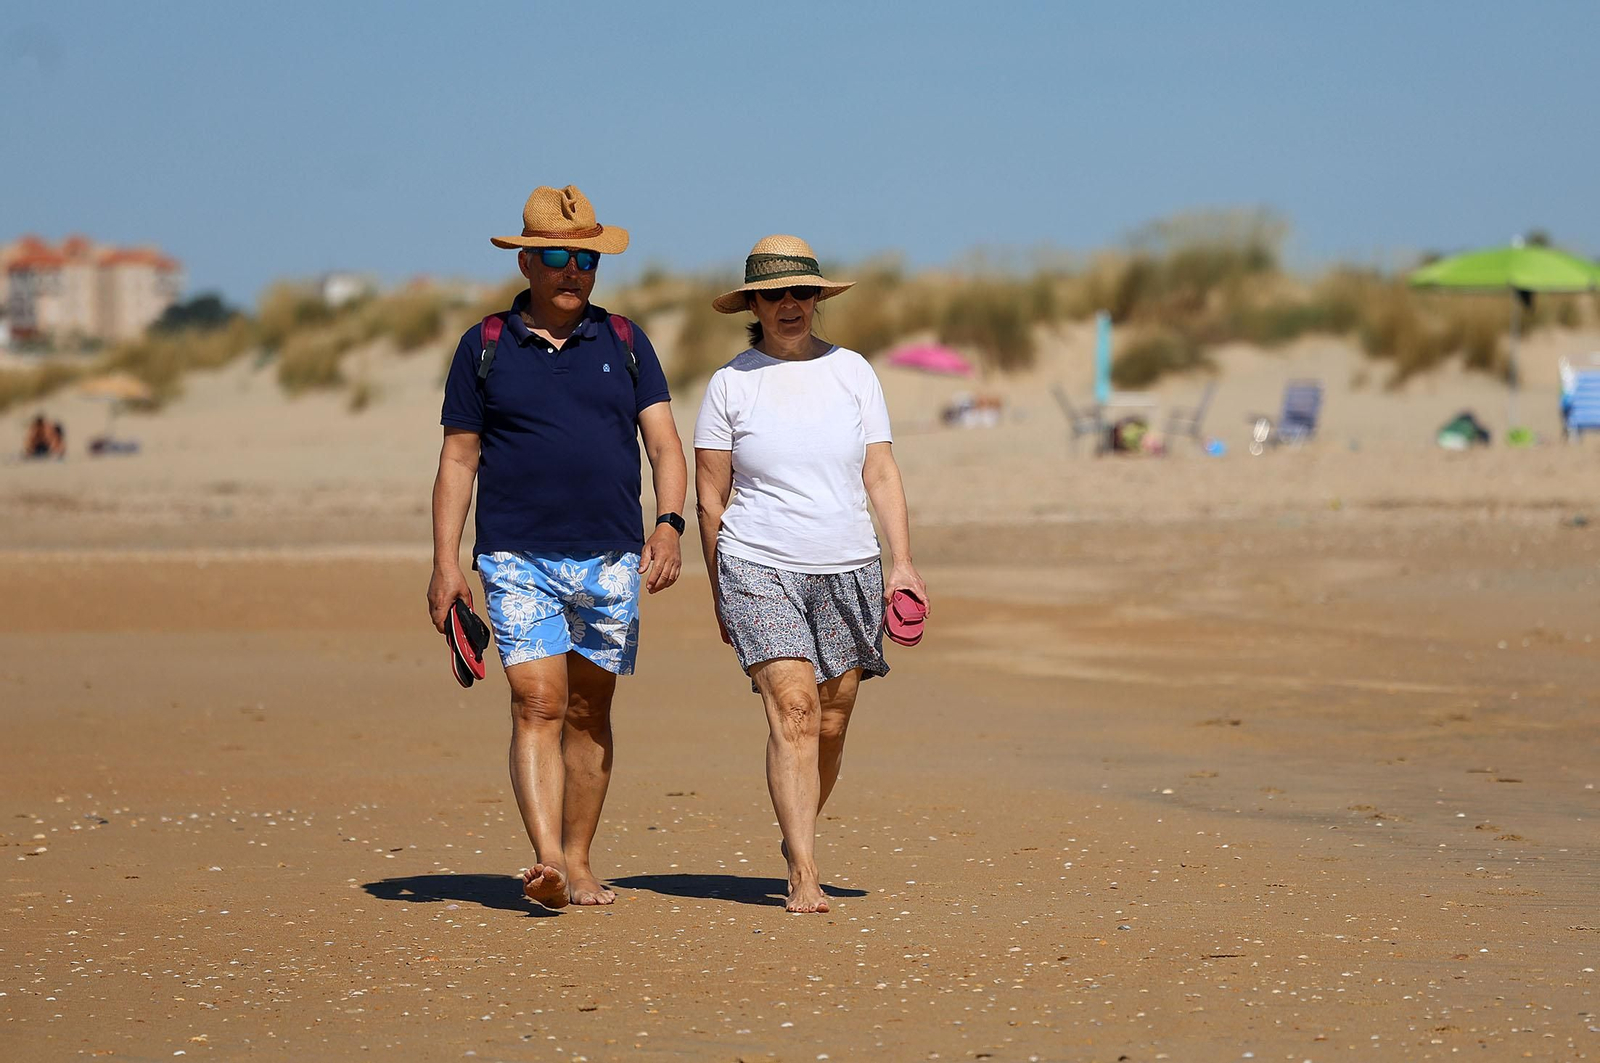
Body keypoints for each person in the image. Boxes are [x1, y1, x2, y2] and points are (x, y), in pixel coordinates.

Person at [428, 184, 688, 909]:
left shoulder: (627, 343)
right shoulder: (483, 347)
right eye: (556, 256)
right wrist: (447, 563)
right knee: (538, 701)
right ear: (527, 263)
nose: (573, 270)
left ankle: (578, 859)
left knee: (588, 711)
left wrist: (669, 523)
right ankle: (544, 859)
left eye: (586, 257)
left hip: (610, 557)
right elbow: (458, 459)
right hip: (515, 555)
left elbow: (665, 445)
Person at [693, 235, 929, 914]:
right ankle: (803, 869)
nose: (790, 305)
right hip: (757, 563)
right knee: (794, 708)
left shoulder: (853, 372)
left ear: (818, 298)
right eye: (775, 294)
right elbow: (711, 497)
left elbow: (880, 471)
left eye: (802, 292)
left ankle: (798, 831)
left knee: (831, 717)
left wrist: (902, 562)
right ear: (754, 304)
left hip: (848, 562)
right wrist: (720, 592)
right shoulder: (730, 384)